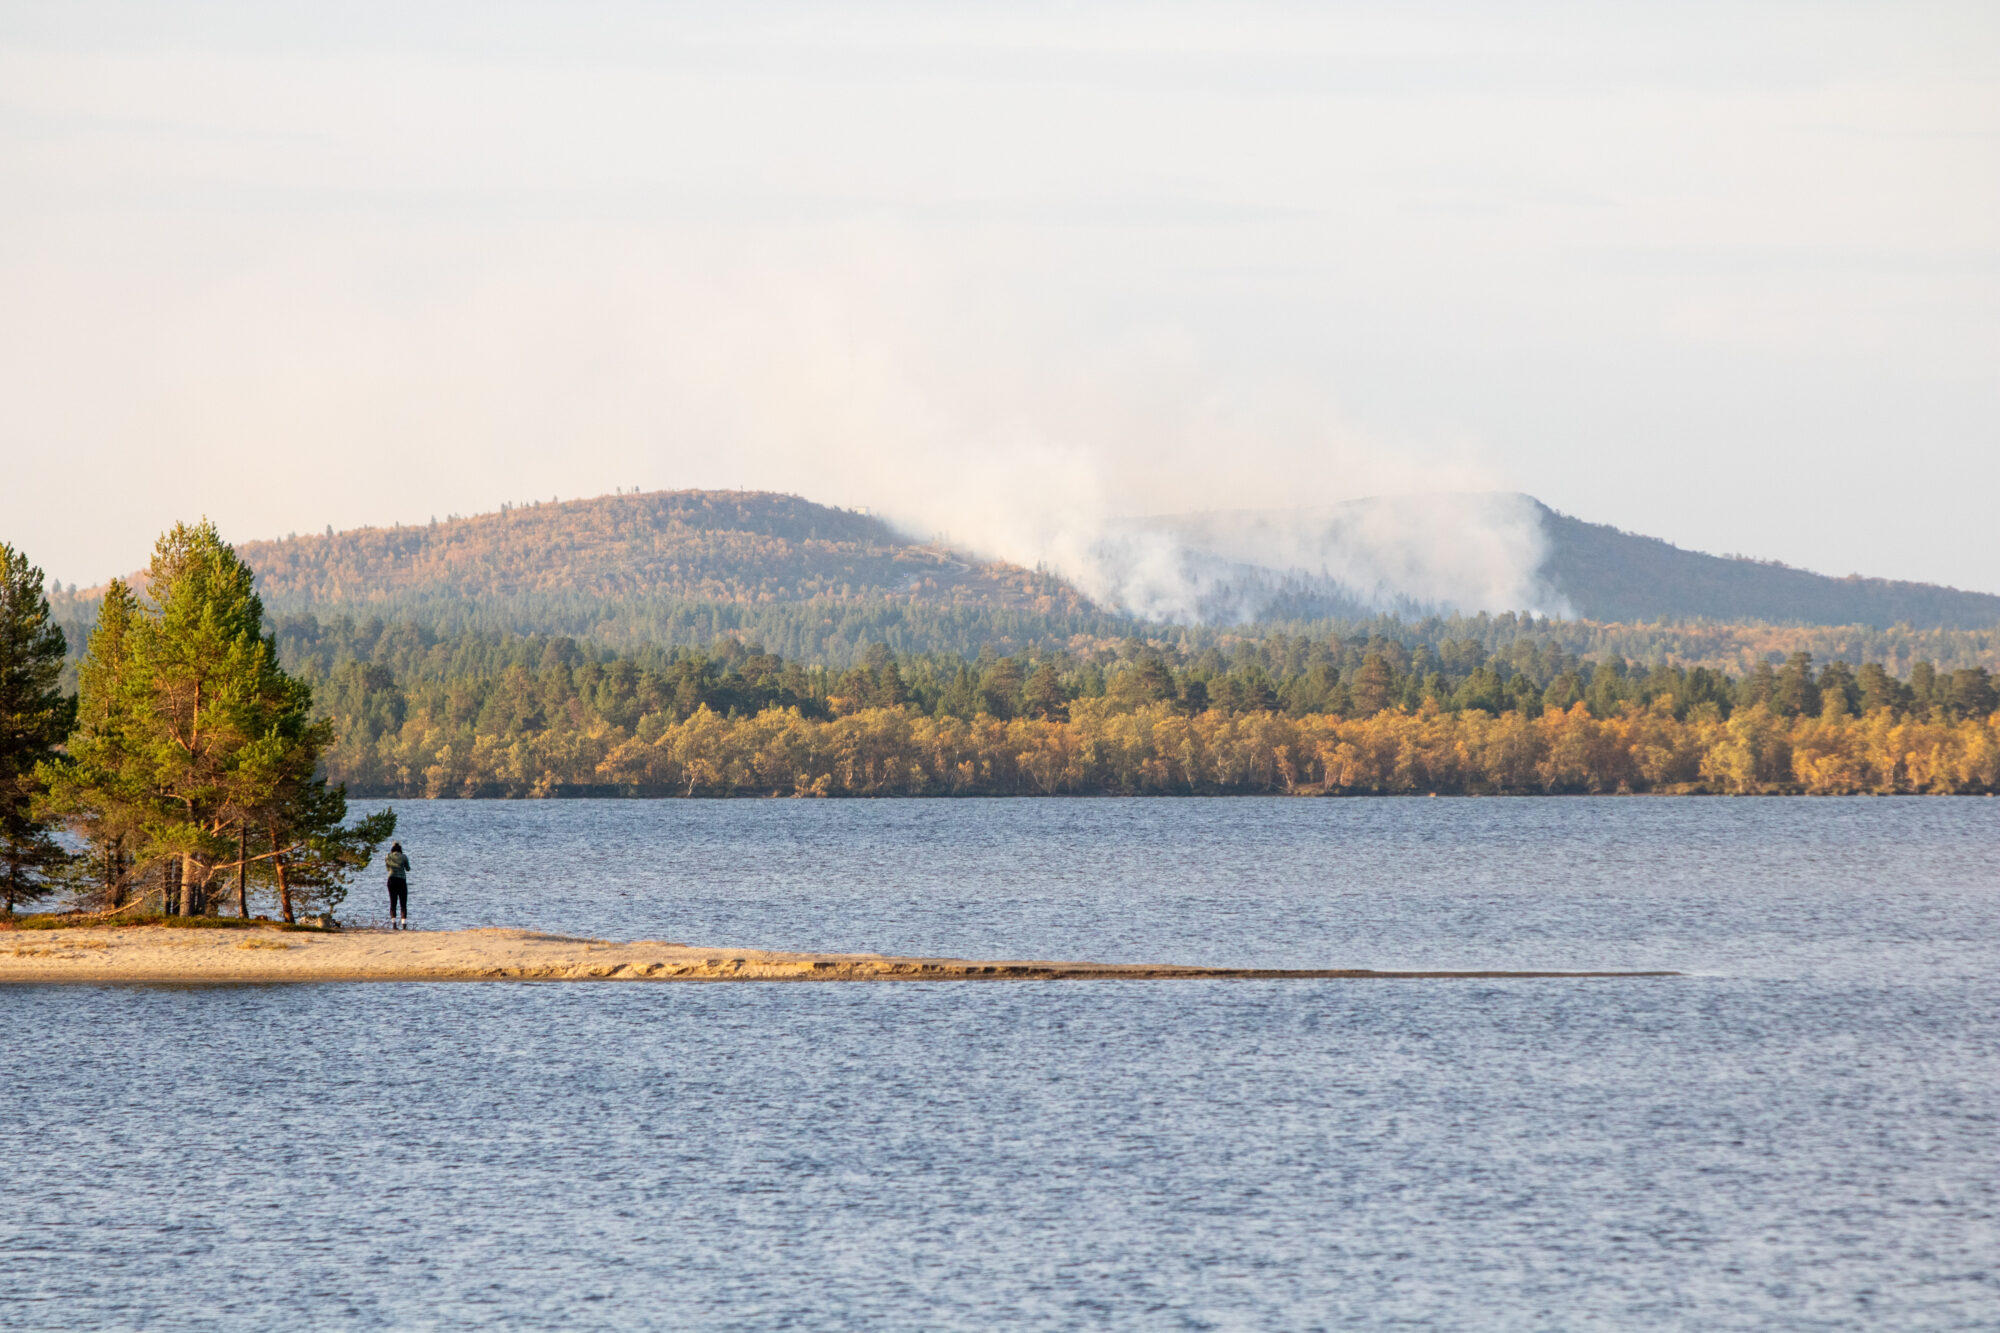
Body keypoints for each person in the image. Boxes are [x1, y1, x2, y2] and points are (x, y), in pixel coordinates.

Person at [384, 842, 411, 928]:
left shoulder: (388, 856)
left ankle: (394, 924)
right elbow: (408, 869)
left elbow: (388, 868)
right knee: (403, 903)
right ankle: (404, 925)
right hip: (401, 880)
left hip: (391, 880)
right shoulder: (404, 857)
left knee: (393, 902)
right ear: (400, 849)